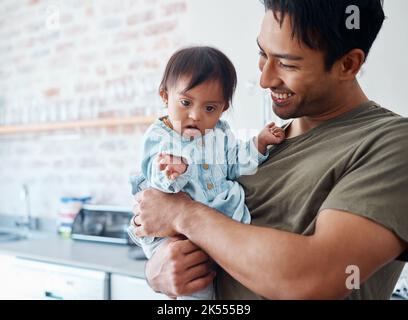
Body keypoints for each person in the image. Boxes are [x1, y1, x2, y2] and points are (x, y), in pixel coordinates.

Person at [130, 0, 408, 299]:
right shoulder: (260, 143)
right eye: (263, 54)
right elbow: (160, 221)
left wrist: (183, 214)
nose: (264, 79)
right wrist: (158, 269)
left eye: (287, 63)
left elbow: (317, 277)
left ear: (348, 64)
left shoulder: (391, 143)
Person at [128, 46, 285, 300]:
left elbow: (235, 163)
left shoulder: (221, 134)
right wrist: (171, 172)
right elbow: (153, 177)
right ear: (165, 96)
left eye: (209, 108)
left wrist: (259, 143)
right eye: (186, 103)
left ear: (223, 109)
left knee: (222, 274)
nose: (195, 115)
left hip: (216, 220)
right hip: (173, 233)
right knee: (195, 282)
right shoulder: (161, 136)